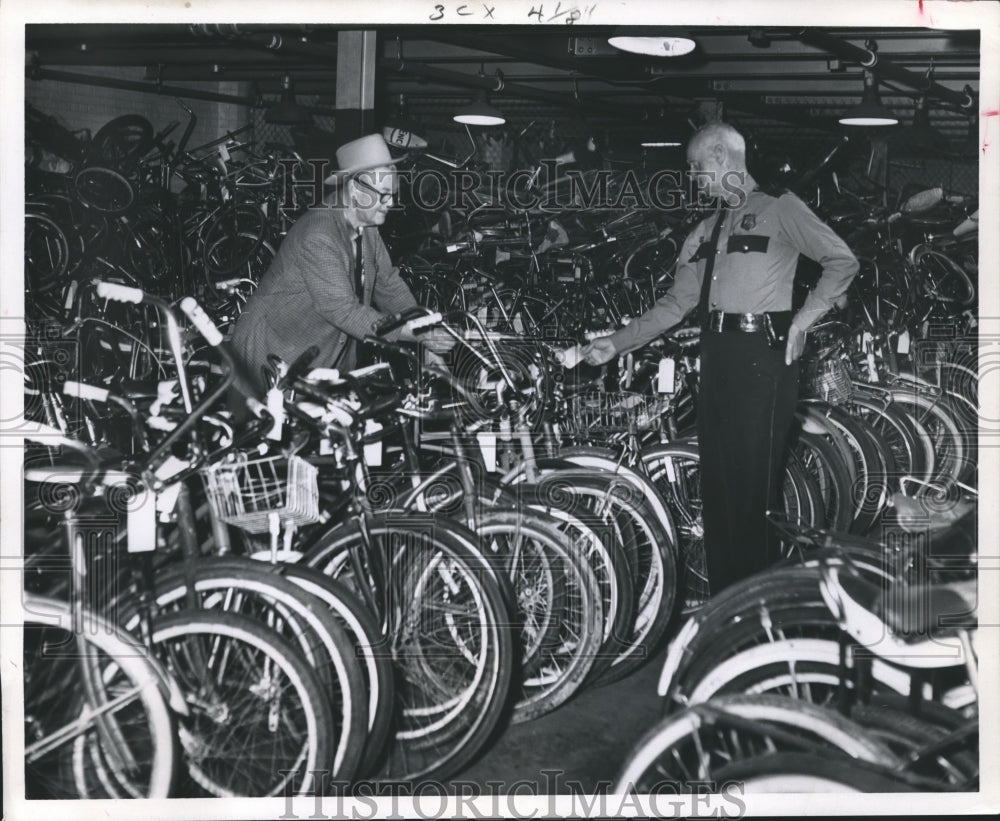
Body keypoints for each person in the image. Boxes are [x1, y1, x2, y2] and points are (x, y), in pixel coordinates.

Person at [582, 122, 859, 595]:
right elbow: (676, 303)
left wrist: (802, 321)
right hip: (717, 358)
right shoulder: (707, 229)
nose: (693, 177)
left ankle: (756, 609)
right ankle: (725, 602)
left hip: (761, 359)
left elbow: (842, 261)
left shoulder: (781, 208)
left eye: (696, 167)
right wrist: (619, 341)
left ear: (721, 155)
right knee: (718, 491)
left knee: (751, 494)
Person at [228, 133, 452, 405]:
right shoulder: (320, 234)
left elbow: (388, 284)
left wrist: (425, 334)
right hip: (265, 358)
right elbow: (342, 311)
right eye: (384, 195)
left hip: (311, 358)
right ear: (355, 189)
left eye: (393, 194)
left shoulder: (367, 227)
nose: (391, 204)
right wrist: (414, 334)